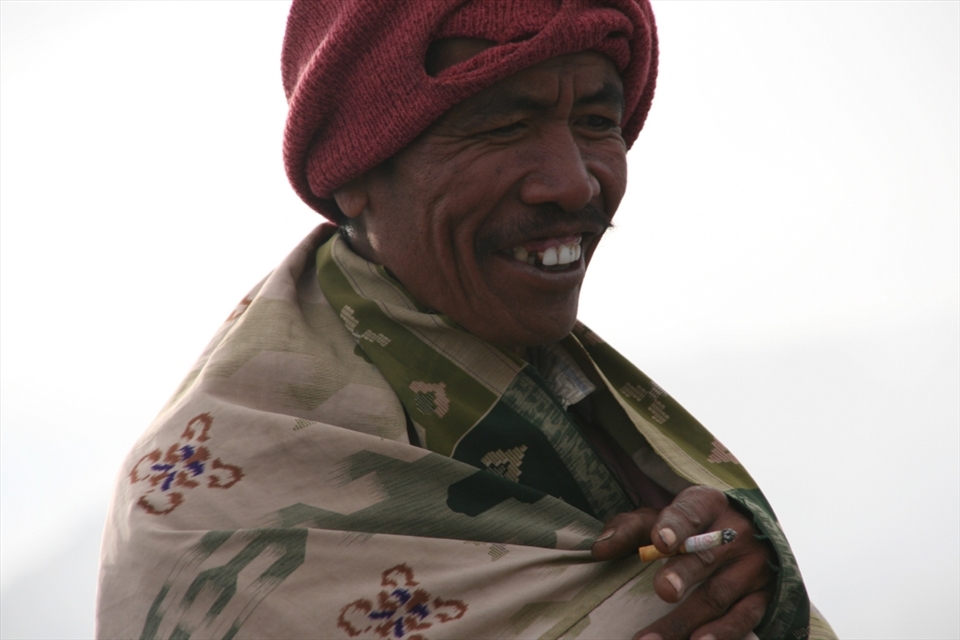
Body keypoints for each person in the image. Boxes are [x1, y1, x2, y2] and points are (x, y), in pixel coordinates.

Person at [97, 1, 836, 638]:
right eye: (504, 126)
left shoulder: (588, 414)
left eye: (596, 121)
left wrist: (738, 575)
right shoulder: (200, 511)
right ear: (356, 171)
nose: (574, 182)